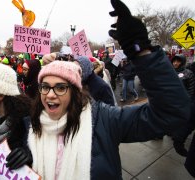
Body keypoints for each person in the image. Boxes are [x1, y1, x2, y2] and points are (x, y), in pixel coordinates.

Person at [26, 0, 190, 179]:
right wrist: (27, 159)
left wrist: (140, 50)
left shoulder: (104, 120)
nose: (50, 94)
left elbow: (171, 113)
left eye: (60, 87)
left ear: (75, 91)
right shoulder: (32, 123)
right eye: (45, 86)